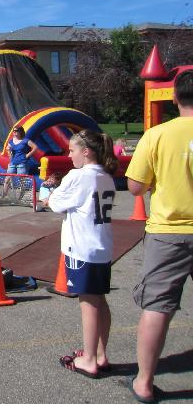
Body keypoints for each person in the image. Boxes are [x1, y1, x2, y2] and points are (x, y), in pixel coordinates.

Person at [125, 70, 193, 403]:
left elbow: (135, 186)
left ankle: (144, 382)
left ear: (175, 98)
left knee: (158, 307)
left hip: (169, 232)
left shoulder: (157, 135)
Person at [48, 129, 117, 379]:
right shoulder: (106, 176)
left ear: (85, 152)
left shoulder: (78, 176)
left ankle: (88, 359)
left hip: (81, 248)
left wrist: (53, 189)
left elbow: (55, 203)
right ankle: (99, 353)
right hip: (101, 246)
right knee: (99, 300)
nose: (69, 155)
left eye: (72, 150)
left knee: (88, 303)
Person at [3, 126, 39, 197]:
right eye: (13, 131)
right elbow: (9, 153)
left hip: (22, 163)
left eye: (16, 131)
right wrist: (8, 151)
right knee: (7, 179)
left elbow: (35, 147)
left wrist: (27, 155)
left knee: (22, 181)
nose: (14, 132)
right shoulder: (11, 141)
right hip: (13, 163)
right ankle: (3, 195)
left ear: (20, 132)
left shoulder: (25, 140)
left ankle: (21, 197)